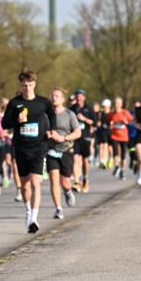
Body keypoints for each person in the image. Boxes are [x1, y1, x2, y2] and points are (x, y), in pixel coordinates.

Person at [1, 70, 51, 232]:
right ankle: (28, 210)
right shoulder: (14, 103)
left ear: (34, 84)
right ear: (21, 86)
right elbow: (4, 124)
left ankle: (34, 219)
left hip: (39, 148)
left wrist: (51, 130)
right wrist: (16, 119)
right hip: (21, 148)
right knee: (25, 185)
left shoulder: (43, 102)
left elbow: (53, 117)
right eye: (24, 86)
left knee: (36, 182)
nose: (27, 88)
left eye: (30, 85)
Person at [46, 88, 83, 219]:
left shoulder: (69, 114)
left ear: (62, 99)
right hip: (51, 151)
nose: (54, 98)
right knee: (53, 179)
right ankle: (58, 208)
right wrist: (48, 134)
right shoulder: (47, 114)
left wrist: (64, 138)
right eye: (52, 95)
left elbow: (78, 132)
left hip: (66, 150)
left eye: (57, 96)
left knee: (65, 182)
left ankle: (67, 191)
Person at [71, 89, 95, 193]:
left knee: (85, 161)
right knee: (75, 160)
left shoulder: (89, 109)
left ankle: (85, 178)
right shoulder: (71, 109)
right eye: (77, 96)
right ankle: (76, 182)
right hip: (75, 138)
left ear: (84, 98)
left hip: (85, 137)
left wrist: (83, 118)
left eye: (81, 96)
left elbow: (94, 122)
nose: (79, 98)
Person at [108, 97, 133, 180]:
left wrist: (126, 121)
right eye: (115, 103)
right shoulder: (112, 113)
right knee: (116, 153)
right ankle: (116, 166)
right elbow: (109, 123)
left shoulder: (125, 112)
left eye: (118, 103)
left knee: (123, 155)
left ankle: (122, 171)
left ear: (121, 104)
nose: (117, 105)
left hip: (124, 136)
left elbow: (131, 121)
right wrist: (111, 124)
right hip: (115, 136)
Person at [97, 99, 113, 169]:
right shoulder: (101, 113)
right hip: (102, 131)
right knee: (102, 146)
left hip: (109, 132)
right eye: (104, 106)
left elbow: (113, 122)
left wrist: (112, 123)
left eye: (105, 106)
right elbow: (99, 121)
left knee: (108, 147)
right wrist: (98, 123)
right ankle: (102, 161)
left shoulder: (111, 113)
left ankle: (109, 159)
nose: (104, 107)